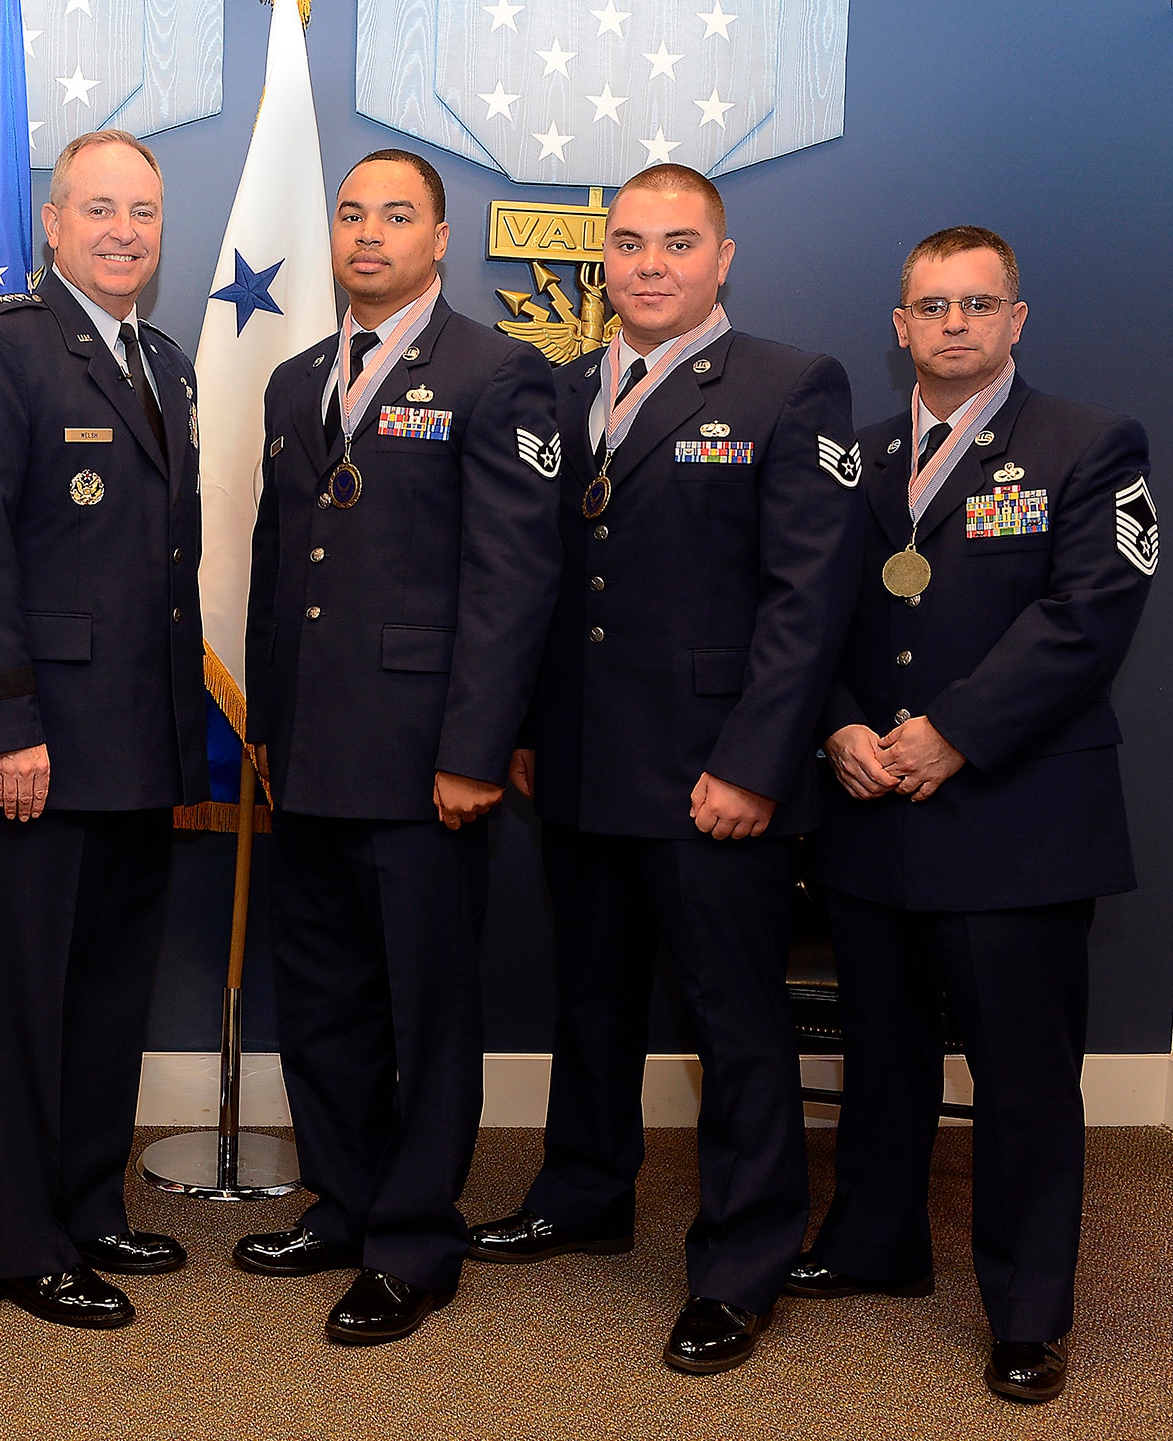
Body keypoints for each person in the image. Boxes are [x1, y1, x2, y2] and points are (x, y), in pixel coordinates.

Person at [466, 164, 865, 1374]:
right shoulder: (563, 386)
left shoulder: (791, 385)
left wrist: (753, 761)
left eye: (675, 242)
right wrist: (527, 725)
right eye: (627, 243)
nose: (647, 264)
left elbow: (810, 598)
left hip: (712, 777)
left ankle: (739, 1266)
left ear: (722, 258)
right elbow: (540, 581)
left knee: (732, 1024)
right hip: (582, 763)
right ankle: (584, 1191)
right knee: (590, 1001)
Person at [789, 227, 1152, 1405]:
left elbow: (1088, 613)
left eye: (975, 303)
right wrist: (835, 722)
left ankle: (1028, 1310)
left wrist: (952, 730)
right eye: (929, 306)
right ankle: (872, 1241)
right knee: (881, 1054)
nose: (952, 324)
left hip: (1012, 809)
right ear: (897, 326)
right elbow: (808, 618)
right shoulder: (848, 457)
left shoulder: (1092, 444)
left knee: (1021, 1076)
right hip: (868, 802)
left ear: (1015, 318)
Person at [232, 150, 561, 1345]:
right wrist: (266, 722)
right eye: (350, 213)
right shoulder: (297, 377)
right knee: (321, 996)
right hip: (310, 749)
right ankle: (346, 1199)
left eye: (396, 217)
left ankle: (413, 1241)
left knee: (424, 1007)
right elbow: (280, 568)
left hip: (429, 759)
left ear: (440, 238)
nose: (367, 234)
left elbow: (513, 580)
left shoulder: (500, 372)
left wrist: (476, 747)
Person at [0, 129, 208, 1331]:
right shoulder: (0, 349)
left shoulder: (164, 359)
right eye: (98, 210)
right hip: (38, 739)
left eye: (141, 212)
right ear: (51, 222)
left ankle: (90, 1204)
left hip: (138, 736)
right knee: (31, 995)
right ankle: (18, 1241)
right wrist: (1, 727)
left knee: (105, 990)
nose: (122, 233)